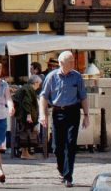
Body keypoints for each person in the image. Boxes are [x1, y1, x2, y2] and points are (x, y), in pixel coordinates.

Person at [38, 50, 89, 187]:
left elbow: (83, 96)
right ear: (61, 63)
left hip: (73, 111)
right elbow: (43, 96)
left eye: (73, 61)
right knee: (56, 146)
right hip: (57, 112)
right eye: (70, 61)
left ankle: (68, 176)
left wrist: (86, 115)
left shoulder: (77, 76)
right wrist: (42, 114)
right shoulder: (51, 77)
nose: (73, 63)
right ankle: (61, 169)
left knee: (71, 144)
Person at [12, 75, 42, 156]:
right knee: (25, 133)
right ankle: (25, 153)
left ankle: (25, 152)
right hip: (24, 115)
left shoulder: (26, 88)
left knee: (25, 133)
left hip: (22, 115)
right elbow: (26, 101)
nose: (39, 86)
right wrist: (29, 115)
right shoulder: (28, 89)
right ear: (35, 83)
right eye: (39, 84)